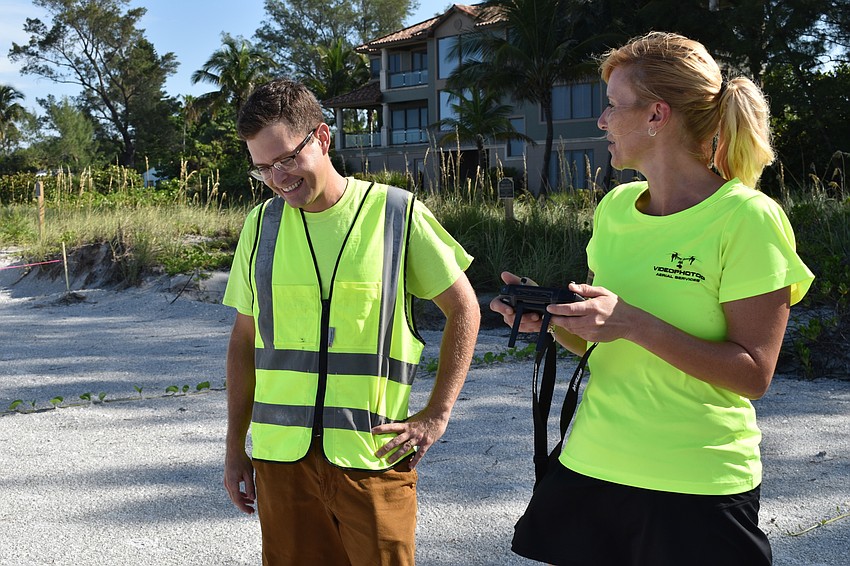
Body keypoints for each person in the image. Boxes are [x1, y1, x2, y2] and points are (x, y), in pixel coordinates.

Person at [491, 32, 814, 566]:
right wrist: (555, 321)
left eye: (612, 106)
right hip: (593, 464)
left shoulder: (748, 218)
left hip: (696, 483)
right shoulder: (615, 207)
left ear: (656, 115)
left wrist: (634, 322)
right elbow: (607, 341)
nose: (602, 121)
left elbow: (754, 374)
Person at [222, 79, 480, 565]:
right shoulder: (260, 226)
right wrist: (235, 447)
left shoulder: (397, 214)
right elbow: (243, 341)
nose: (278, 178)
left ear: (322, 137)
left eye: (286, 159)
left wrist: (436, 414)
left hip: (372, 459)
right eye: (263, 168)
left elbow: (465, 308)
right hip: (281, 463)